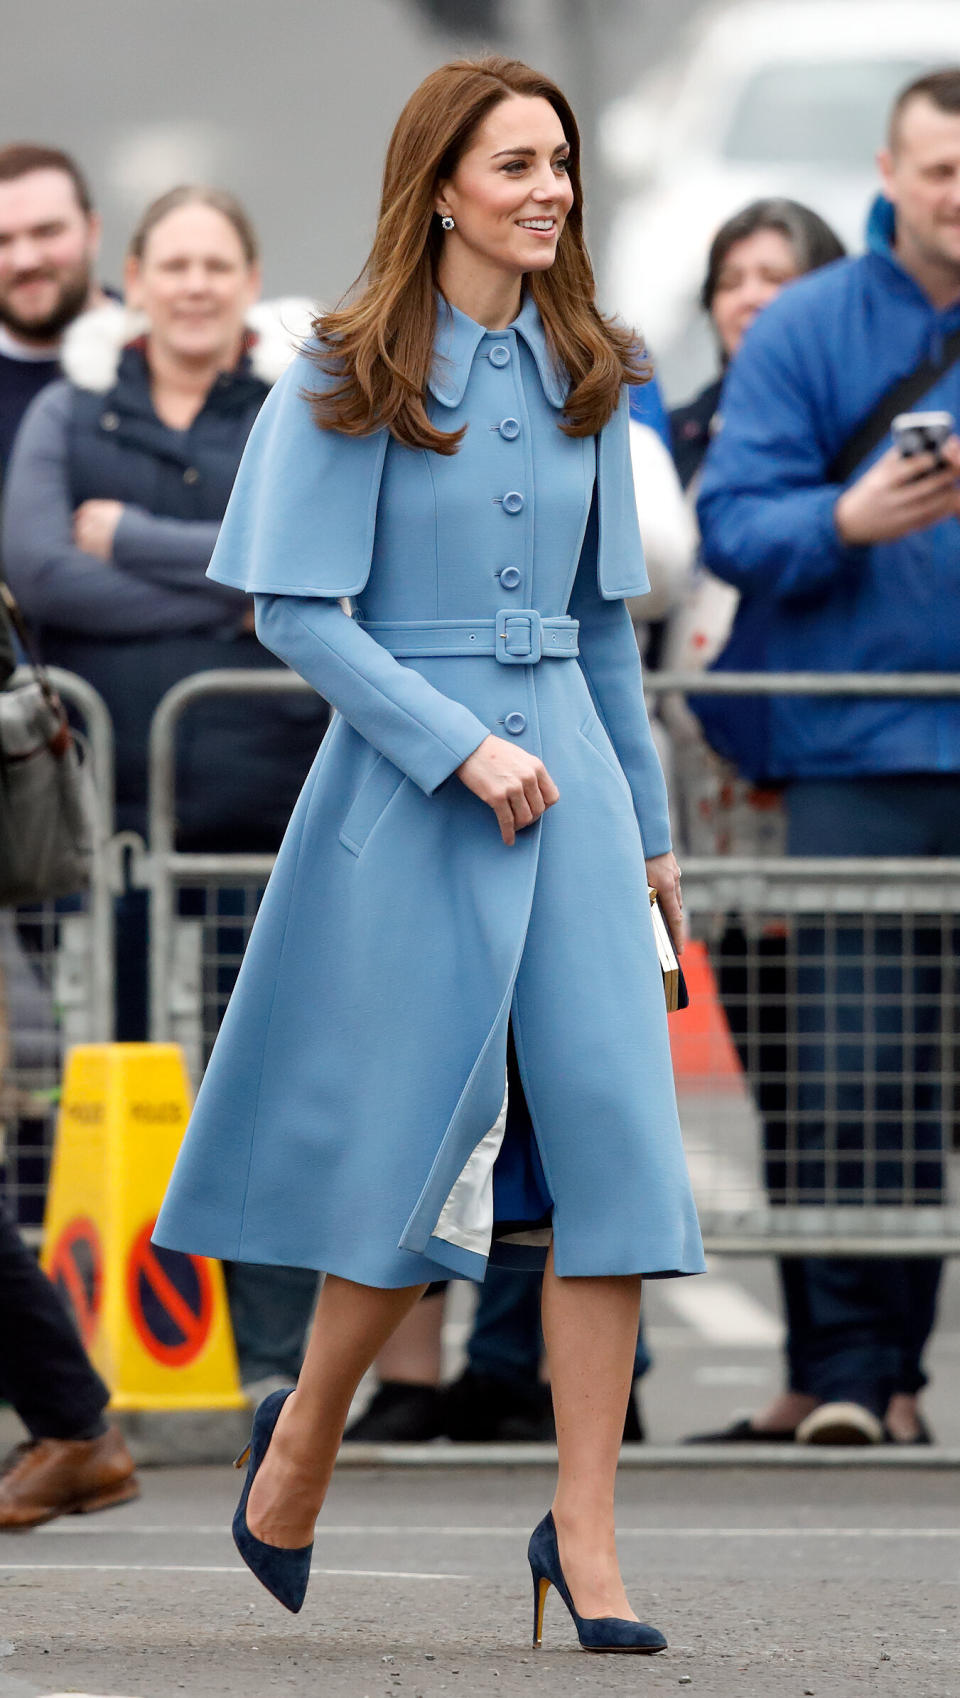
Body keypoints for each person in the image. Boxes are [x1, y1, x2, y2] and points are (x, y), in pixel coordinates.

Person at [153, 54, 704, 1644]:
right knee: (415, 1154)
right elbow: (293, 613)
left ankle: (584, 1537)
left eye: (562, 163)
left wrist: (653, 841)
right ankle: (304, 1438)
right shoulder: (342, 367)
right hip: (413, 798)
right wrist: (458, 742)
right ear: (441, 181)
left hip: (585, 806)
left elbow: (607, 638)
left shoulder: (596, 364)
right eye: (516, 163)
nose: (549, 190)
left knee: (613, 1162)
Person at [2, 185, 325, 1396]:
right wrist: (238, 594)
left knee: (272, 1091)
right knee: (101, 1082)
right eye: (171, 263)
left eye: (216, 263)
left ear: (251, 279)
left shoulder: (303, 405)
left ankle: (272, 1362)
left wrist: (125, 537)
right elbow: (38, 568)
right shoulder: (71, 409)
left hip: (268, 820)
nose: (193, 284)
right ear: (133, 278)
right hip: (102, 831)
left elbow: (314, 561)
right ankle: (101, 1360)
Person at [690, 69, 960, 1446]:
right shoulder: (807, 325)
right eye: (941, 170)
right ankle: (860, 1371)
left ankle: (893, 1371)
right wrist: (850, 518)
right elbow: (728, 523)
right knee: (863, 1071)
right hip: (858, 751)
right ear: (891, 172)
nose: (957, 196)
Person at [0, 144, 106, 476]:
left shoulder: (172, 357)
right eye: (2, 240)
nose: (25, 261)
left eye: (47, 232)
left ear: (92, 231)